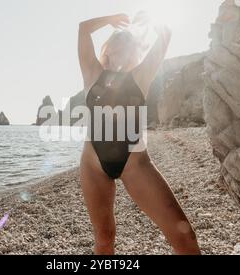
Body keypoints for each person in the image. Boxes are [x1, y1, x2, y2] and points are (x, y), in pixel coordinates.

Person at [78, 13, 201, 255]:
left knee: (184, 237)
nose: (123, 48)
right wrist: (111, 19)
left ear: (135, 52)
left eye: (128, 44)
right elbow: (83, 29)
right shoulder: (92, 73)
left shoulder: (140, 76)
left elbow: (165, 34)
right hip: (93, 166)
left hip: (135, 165)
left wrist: (151, 18)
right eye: (118, 42)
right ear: (109, 49)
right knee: (104, 238)